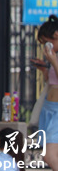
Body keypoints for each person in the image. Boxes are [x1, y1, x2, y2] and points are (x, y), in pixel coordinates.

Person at [32, 15, 58, 171]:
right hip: (49, 107)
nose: (46, 48)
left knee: (49, 155)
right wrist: (44, 69)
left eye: (47, 43)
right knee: (49, 153)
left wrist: (53, 60)